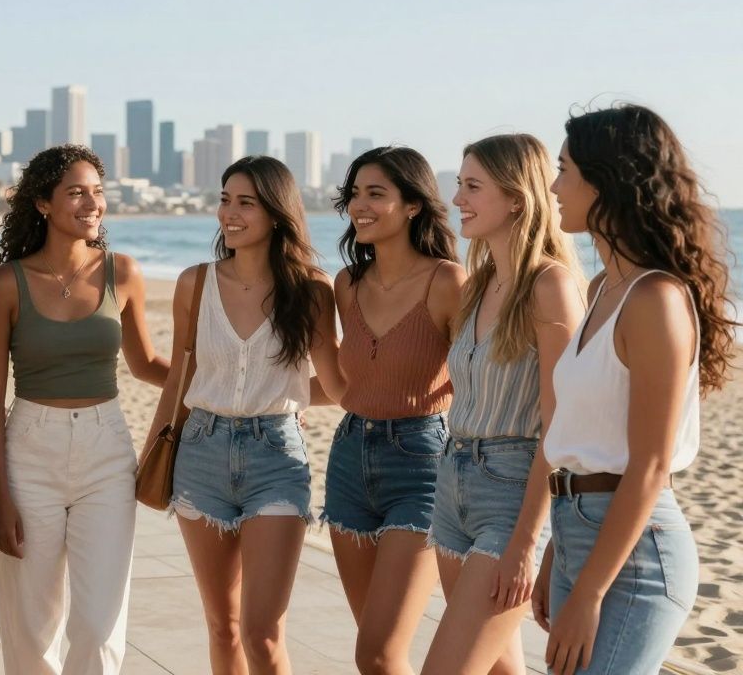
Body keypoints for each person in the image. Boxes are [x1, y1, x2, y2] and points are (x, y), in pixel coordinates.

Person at [534, 105, 732, 675]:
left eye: (564, 170)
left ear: (608, 181)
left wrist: (590, 594)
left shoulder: (654, 300)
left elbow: (648, 465)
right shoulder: (600, 288)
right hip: (578, 529)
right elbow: (582, 437)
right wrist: (556, 549)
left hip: (637, 554)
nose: (553, 187)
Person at [144, 155, 345, 673]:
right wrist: (152, 454)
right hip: (201, 453)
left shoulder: (311, 290)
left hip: (277, 457)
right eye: (225, 200)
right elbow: (181, 378)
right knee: (223, 626)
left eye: (246, 203)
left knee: (262, 633)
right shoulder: (194, 283)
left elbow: (340, 386)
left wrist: (289, 395)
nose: (229, 213)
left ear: (277, 213)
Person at [0, 144, 169, 674]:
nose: (92, 202)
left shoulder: (122, 272)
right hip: (29, 452)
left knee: (100, 626)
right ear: (43, 203)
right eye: (76, 191)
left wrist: (221, 382)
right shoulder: (4, 284)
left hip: (106, 450)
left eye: (98, 191)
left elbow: (148, 362)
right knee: (32, 628)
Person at [421, 135, 584, 675]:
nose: (457, 198)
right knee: (497, 669)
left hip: (511, 494)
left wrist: (526, 541)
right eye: (459, 184)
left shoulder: (550, 285)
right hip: (453, 483)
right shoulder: (480, 282)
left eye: (472, 186)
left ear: (516, 198)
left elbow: (559, 425)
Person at [324, 146, 464, 674]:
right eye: (355, 193)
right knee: (379, 656)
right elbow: (345, 381)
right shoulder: (347, 285)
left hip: (422, 464)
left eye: (375, 193)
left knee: (377, 652)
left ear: (412, 205)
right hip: (348, 457)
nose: (359, 204)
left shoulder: (448, 281)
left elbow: (476, 379)